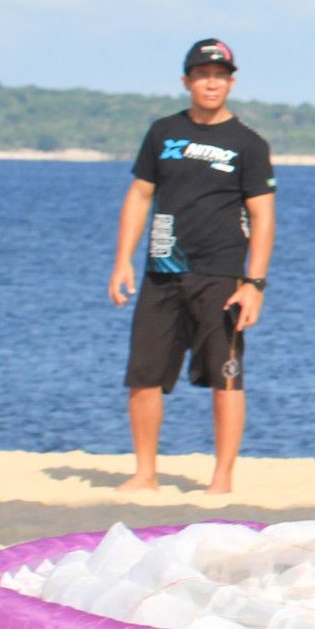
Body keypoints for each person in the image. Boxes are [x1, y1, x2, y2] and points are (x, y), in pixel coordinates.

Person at [107, 39, 276, 494]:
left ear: (231, 82)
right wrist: (123, 260)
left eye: (219, 75)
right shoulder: (163, 133)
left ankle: (221, 479)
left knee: (227, 379)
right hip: (161, 272)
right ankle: (145, 474)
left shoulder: (248, 144)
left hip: (221, 277)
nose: (211, 83)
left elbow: (262, 216)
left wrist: (255, 283)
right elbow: (140, 195)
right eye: (202, 75)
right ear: (187, 81)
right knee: (143, 378)